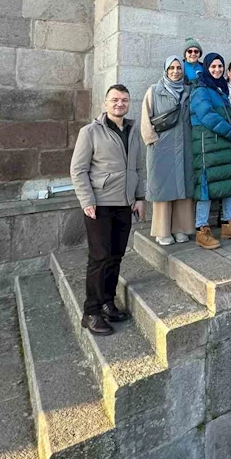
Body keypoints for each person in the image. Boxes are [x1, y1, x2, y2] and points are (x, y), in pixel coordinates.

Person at [70, 84, 145, 336]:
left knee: (116, 255)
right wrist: (86, 200)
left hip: (124, 203)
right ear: (105, 103)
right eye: (114, 99)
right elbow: (78, 169)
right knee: (99, 258)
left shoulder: (134, 131)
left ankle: (107, 301)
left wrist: (140, 197)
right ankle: (90, 312)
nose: (119, 104)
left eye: (124, 100)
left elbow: (138, 167)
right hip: (99, 204)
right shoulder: (90, 132)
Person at [190, 52, 231, 249]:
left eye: (220, 66)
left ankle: (227, 224)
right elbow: (207, 116)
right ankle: (201, 229)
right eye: (213, 67)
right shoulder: (200, 90)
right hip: (209, 145)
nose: (217, 70)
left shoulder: (219, 90)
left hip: (225, 143)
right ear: (206, 68)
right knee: (206, 187)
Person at [140, 56, 194, 247]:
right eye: (171, 68)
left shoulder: (188, 91)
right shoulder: (154, 91)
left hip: (185, 148)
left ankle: (181, 229)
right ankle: (163, 231)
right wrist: (153, 142)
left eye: (179, 67)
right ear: (165, 69)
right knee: (163, 189)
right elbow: (146, 120)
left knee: (184, 189)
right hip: (162, 149)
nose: (175, 71)